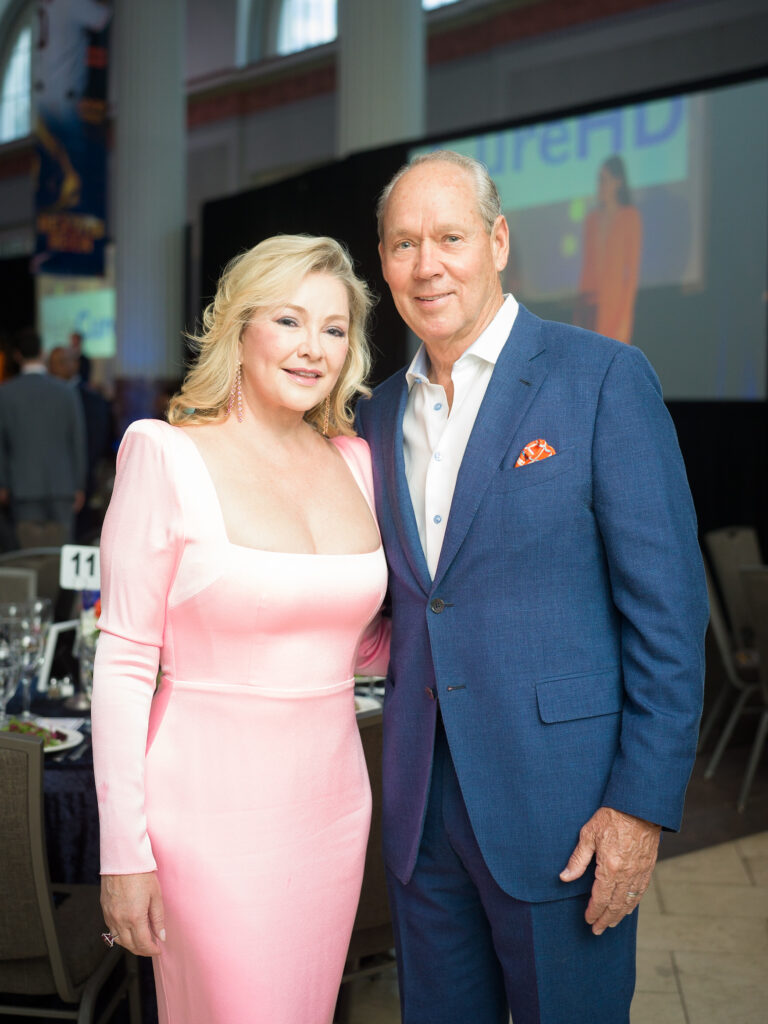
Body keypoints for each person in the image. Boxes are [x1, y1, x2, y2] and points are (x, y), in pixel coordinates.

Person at [355, 150, 707, 1024]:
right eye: (403, 244)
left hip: (566, 810)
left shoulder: (601, 379)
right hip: (419, 812)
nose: (426, 265)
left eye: (449, 237)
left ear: (499, 240)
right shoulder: (373, 413)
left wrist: (639, 806)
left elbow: (668, 615)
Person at [91, 235, 390, 1024]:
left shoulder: (356, 462)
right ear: (239, 328)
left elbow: (357, 638)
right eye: (289, 321)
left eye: (334, 328)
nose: (313, 348)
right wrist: (124, 854)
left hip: (332, 811)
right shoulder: (166, 455)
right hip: (207, 819)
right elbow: (122, 663)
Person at [0, 327, 86, 548]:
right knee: (61, 556)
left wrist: (4, 483)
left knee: (29, 557)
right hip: (62, 487)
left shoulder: (5, 393)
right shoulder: (66, 392)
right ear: (41, 352)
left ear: (17, 355)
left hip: (22, 487)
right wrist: (79, 484)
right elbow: (77, 441)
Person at [577, 154, 643, 345]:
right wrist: (578, 310)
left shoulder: (630, 217)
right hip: (589, 304)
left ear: (618, 182)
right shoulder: (591, 219)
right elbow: (586, 266)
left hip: (613, 307)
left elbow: (631, 274)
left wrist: (625, 319)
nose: (600, 185)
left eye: (604, 180)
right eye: (599, 180)